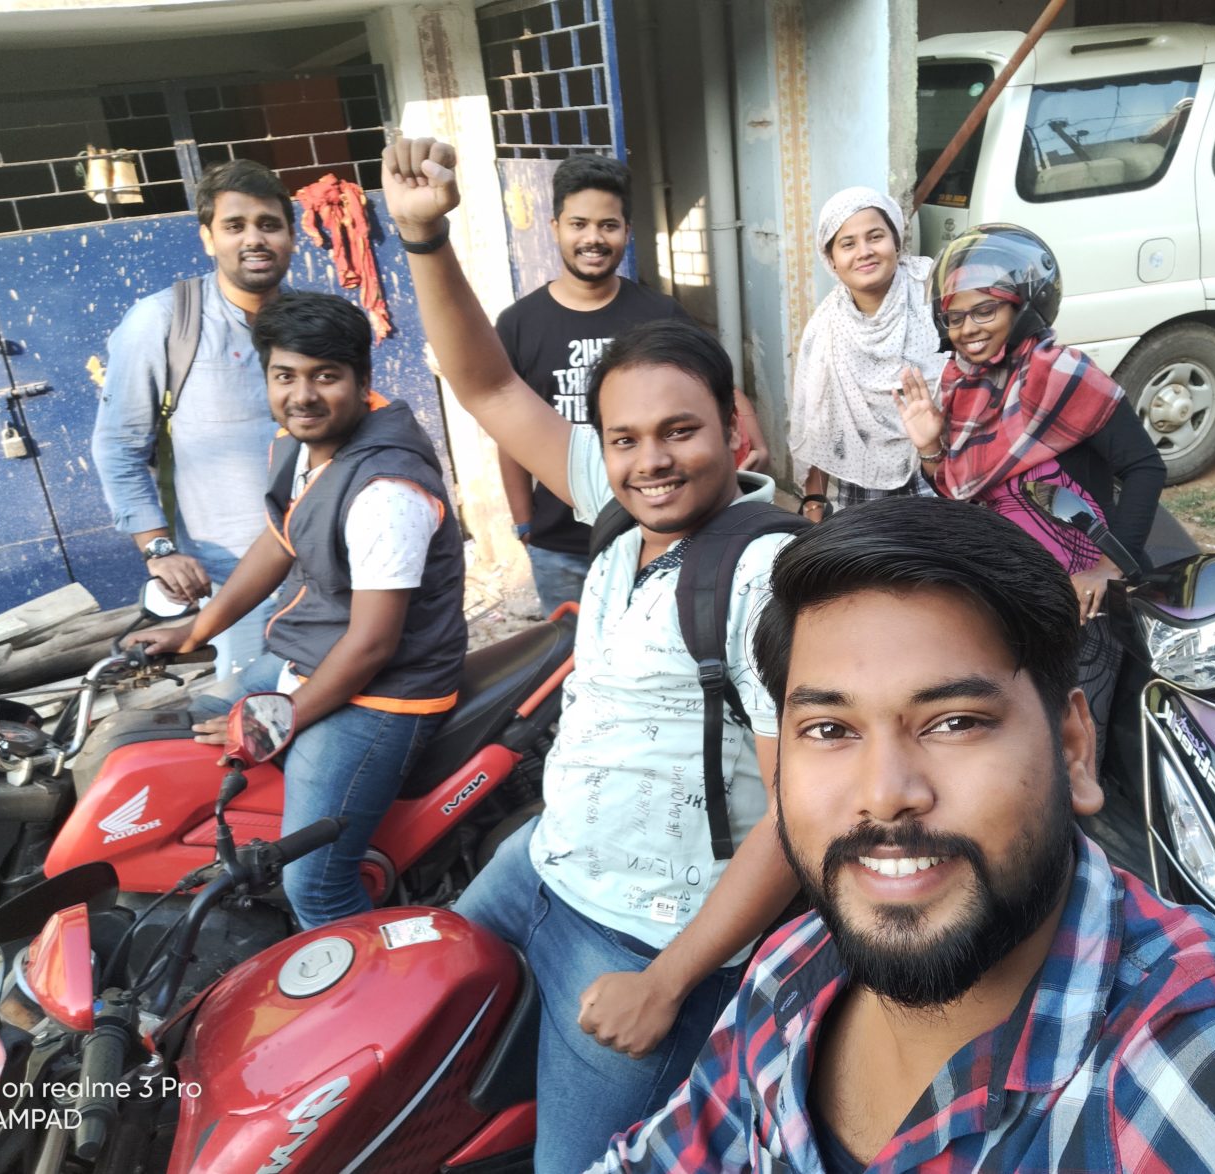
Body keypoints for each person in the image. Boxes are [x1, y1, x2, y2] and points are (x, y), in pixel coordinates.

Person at [594, 497, 1215, 1172]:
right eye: (829, 730)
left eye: (956, 722)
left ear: (1073, 748)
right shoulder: (791, 971)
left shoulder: (1212, 1075)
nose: (885, 795)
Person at [382, 135, 798, 1174]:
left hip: (646, 935)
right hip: (539, 865)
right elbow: (484, 383)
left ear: (734, 430)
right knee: (426, 1040)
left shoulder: (768, 574)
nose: (651, 460)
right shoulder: (618, 513)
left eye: (680, 432)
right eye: (624, 439)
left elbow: (804, 811)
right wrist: (423, 237)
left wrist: (668, 981)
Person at [127, 291, 466, 930]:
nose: (302, 396)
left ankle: (364, 981)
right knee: (177, 733)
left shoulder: (386, 490)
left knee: (314, 881)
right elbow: (278, 541)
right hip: (303, 656)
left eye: (325, 376)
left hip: (381, 692)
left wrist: (271, 725)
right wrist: (196, 630)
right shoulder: (299, 444)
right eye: (285, 376)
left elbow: (372, 645)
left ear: (362, 380)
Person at [895, 223, 1165, 747]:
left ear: (1024, 307)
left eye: (985, 311)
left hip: (1079, 604)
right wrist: (929, 447)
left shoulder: (1063, 375)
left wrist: (1109, 566)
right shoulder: (961, 385)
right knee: (1020, 734)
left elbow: (1145, 467)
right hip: (1008, 591)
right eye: (955, 317)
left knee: (1076, 741)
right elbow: (961, 495)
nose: (968, 329)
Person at [496, 153, 769, 613]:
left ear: (627, 230)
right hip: (561, 544)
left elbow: (715, 384)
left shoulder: (659, 313)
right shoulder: (519, 324)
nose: (593, 238)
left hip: (658, 532)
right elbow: (509, 433)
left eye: (608, 225)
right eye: (578, 224)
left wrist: (751, 434)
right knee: (571, 651)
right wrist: (525, 522)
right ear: (555, 227)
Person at [91, 159, 295, 677]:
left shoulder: (312, 322)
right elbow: (118, 447)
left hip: (328, 566)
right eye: (235, 226)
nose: (254, 239)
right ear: (208, 239)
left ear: (291, 236)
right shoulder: (164, 321)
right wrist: (158, 550)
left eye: (269, 224)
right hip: (233, 580)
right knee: (254, 706)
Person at [788, 187, 948, 523]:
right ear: (831, 259)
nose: (864, 252)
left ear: (896, 241)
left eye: (875, 237)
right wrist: (814, 504)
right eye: (848, 244)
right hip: (862, 486)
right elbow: (817, 423)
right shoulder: (825, 330)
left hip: (947, 476)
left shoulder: (936, 293)